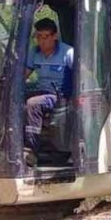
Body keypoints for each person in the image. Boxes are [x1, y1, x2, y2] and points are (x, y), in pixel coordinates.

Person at [25, 18, 74, 152]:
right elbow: (24, 74)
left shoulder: (68, 53)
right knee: (12, 99)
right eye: (38, 37)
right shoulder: (34, 52)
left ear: (54, 36)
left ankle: (31, 149)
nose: (41, 41)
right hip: (41, 91)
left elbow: (84, 74)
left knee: (32, 103)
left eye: (45, 37)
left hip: (58, 96)